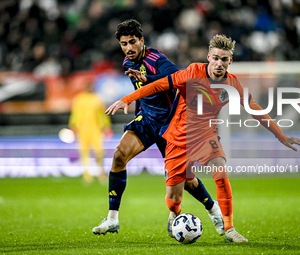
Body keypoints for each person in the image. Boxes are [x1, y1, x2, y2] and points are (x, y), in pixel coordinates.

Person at [106, 34, 300, 243]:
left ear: (230, 61)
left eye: (224, 59)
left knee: (220, 170)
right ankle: (175, 213)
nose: (219, 63)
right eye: (216, 58)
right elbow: (159, 85)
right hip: (177, 137)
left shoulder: (232, 83)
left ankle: (229, 228)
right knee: (174, 198)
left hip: (205, 136)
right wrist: (127, 99)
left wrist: (281, 136)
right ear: (208, 57)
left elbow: (255, 110)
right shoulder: (193, 72)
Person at [92, 19, 225, 238]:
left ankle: (213, 209)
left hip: (172, 124)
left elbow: (177, 77)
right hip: (147, 120)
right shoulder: (127, 63)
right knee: (119, 156)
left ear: (142, 41)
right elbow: (145, 94)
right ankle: (112, 219)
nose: (128, 48)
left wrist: (148, 78)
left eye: (132, 42)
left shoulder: (156, 59)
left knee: (187, 179)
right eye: (124, 44)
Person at [69, 82, 113, 183]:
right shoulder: (79, 99)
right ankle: (87, 175)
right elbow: (75, 114)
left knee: (99, 152)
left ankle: (101, 173)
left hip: (95, 130)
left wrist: (106, 126)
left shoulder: (96, 99)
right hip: (82, 130)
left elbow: (102, 114)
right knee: (84, 152)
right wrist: (73, 126)